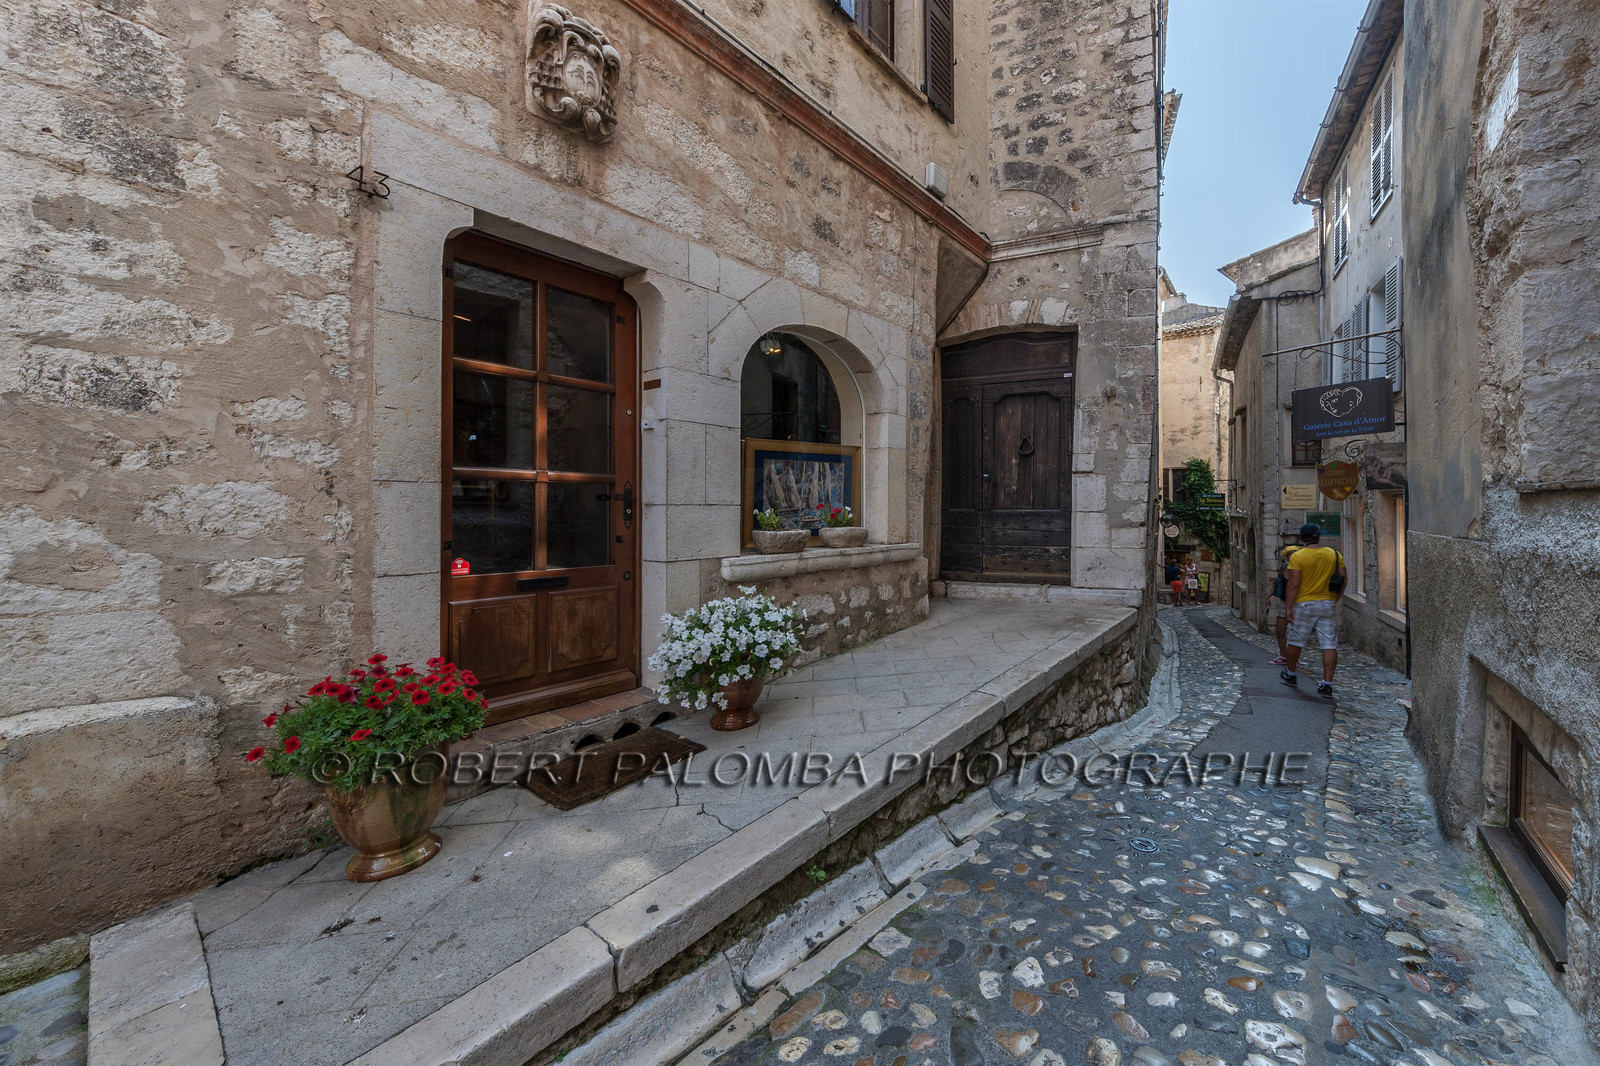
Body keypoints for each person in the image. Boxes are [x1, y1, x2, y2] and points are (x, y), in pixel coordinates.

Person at [1281, 523, 1347, 698]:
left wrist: (1288, 607)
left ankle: (1291, 673)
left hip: (1304, 604)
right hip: (1327, 604)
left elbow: (1294, 583)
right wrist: (1334, 599)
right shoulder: (1334, 555)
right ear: (1318, 537)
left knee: (1296, 640)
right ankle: (1327, 684)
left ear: (1303, 539)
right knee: (1329, 644)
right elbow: (1343, 580)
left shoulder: (1299, 557)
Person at [1268, 542, 1299, 665]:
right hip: (1284, 602)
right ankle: (1283, 656)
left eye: (1294, 555)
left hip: (1297, 603)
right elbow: (1278, 581)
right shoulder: (1283, 567)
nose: (1292, 557)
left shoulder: (1300, 569)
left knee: (1295, 632)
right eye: (1290, 555)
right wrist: (1270, 595)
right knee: (1280, 630)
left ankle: (1292, 658)